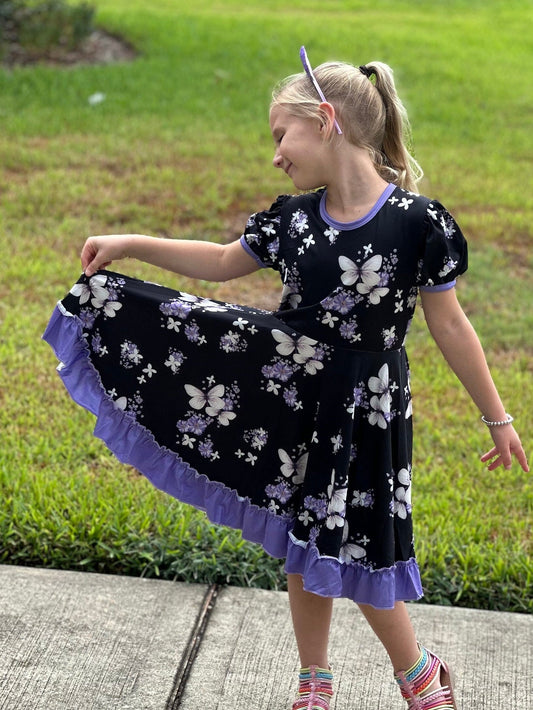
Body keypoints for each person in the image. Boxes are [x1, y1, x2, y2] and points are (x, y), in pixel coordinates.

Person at [43, 46, 528, 710]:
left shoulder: (417, 224)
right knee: (307, 543)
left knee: (360, 548)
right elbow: (218, 261)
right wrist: (129, 243)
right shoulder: (294, 222)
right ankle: (314, 684)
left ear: (324, 120)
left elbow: (449, 326)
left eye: (280, 134)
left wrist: (497, 418)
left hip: (369, 411)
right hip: (292, 399)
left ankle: (417, 673)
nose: (274, 153)